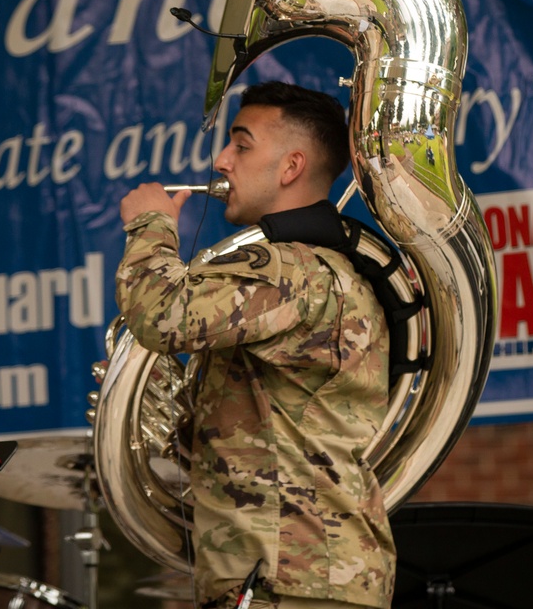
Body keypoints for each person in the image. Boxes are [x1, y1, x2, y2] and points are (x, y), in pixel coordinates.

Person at [115, 81, 396, 609]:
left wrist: (151, 223)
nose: (222, 161)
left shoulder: (289, 268)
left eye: (241, 145)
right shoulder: (320, 269)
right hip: (301, 575)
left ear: (290, 167)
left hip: (286, 578)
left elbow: (160, 314)